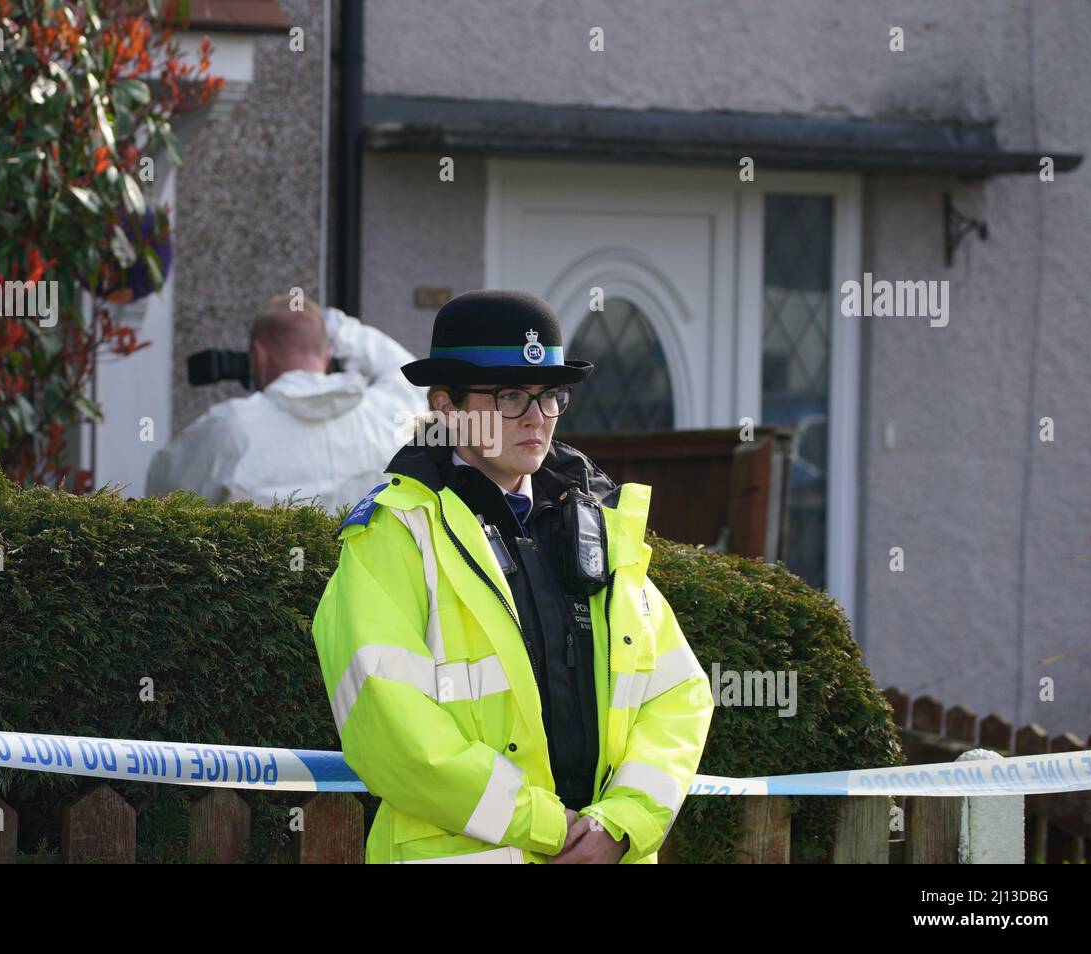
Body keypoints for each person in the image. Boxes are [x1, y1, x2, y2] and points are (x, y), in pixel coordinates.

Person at [311, 289, 715, 863]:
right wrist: (548, 828)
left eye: (550, 396)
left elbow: (678, 693)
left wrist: (622, 823)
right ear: (446, 406)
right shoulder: (394, 532)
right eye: (509, 396)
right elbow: (391, 730)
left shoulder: (597, 524)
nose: (537, 418)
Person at [144, 294, 425, 512]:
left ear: (258, 355)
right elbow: (409, 372)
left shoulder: (230, 430)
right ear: (326, 356)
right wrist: (337, 326)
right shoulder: (386, 416)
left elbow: (162, 492)